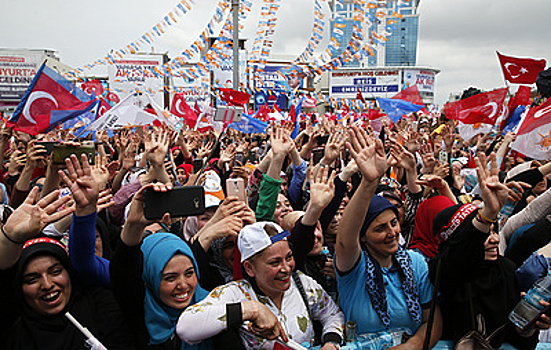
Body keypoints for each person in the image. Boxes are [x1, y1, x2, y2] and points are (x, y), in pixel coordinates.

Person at [0, 154, 133, 349]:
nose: (47, 284)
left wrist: (86, 211)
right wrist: (10, 238)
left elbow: (85, 262)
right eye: (32, 279)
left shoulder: (101, 308)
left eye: (55, 272)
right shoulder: (13, 328)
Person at [429, 153, 551, 349]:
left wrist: (529, 328)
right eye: (485, 233)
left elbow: (517, 340)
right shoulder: (442, 272)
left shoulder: (506, 269)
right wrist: (487, 214)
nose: (494, 239)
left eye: (495, 231)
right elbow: (459, 255)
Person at [334, 125, 442, 347]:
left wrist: (413, 345)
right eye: (380, 228)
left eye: (394, 223)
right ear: (362, 237)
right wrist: (369, 182)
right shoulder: (354, 267)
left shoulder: (415, 262)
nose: (392, 232)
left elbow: (432, 319)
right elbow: (345, 239)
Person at [177, 221, 345, 350]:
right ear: (250, 268)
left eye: (289, 257)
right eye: (275, 262)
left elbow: (332, 314)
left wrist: (331, 342)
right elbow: (186, 327)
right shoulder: (236, 293)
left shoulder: (303, 284)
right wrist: (251, 310)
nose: (286, 268)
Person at [110, 181, 214, 349]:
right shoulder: (139, 316)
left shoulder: (213, 306)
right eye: (170, 277)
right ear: (150, 278)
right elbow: (124, 271)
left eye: (189, 273)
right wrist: (134, 225)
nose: (183, 285)